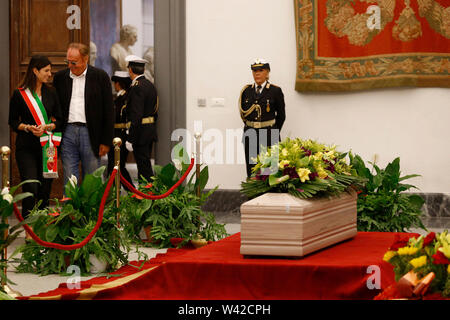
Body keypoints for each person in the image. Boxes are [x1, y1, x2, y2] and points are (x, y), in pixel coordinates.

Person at [8, 55, 63, 222]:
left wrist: (48, 127)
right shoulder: (19, 94)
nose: (50, 74)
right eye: (46, 70)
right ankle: (29, 227)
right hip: (26, 147)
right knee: (31, 186)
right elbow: (12, 122)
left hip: (48, 147)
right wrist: (27, 127)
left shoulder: (52, 92)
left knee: (45, 188)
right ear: (35, 71)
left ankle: (43, 226)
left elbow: (60, 120)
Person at [53, 43, 114, 186]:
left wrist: (106, 140)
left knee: (93, 177)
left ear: (85, 59)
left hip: (91, 133)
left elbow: (109, 111)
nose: (70, 66)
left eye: (74, 62)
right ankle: (71, 208)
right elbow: (55, 106)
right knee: (69, 177)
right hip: (67, 132)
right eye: (67, 62)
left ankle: (93, 209)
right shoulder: (60, 78)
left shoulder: (100, 77)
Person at [239, 58, 286, 178]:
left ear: (267, 73)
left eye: (261, 70)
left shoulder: (275, 91)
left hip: (269, 134)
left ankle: (270, 196)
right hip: (251, 134)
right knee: (252, 170)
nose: (257, 73)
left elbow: (281, 116)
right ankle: (253, 196)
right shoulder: (246, 91)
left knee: (269, 171)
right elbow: (244, 114)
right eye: (254, 71)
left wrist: (273, 131)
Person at [125, 55, 159, 182]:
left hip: (140, 133)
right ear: (143, 70)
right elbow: (155, 110)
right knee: (145, 165)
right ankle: (146, 195)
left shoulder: (137, 87)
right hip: (148, 130)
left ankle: (147, 196)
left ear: (130, 70)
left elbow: (136, 115)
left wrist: (131, 138)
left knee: (143, 167)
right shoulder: (149, 85)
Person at [107, 71, 135, 190]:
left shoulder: (125, 98)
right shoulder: (120, 97)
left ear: (119, 84)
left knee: (118, 166)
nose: (114, 85)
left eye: (115, 83)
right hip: (115, 135)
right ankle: (114, 193)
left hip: (121, 135)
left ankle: (132, 192)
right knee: (113, 166)